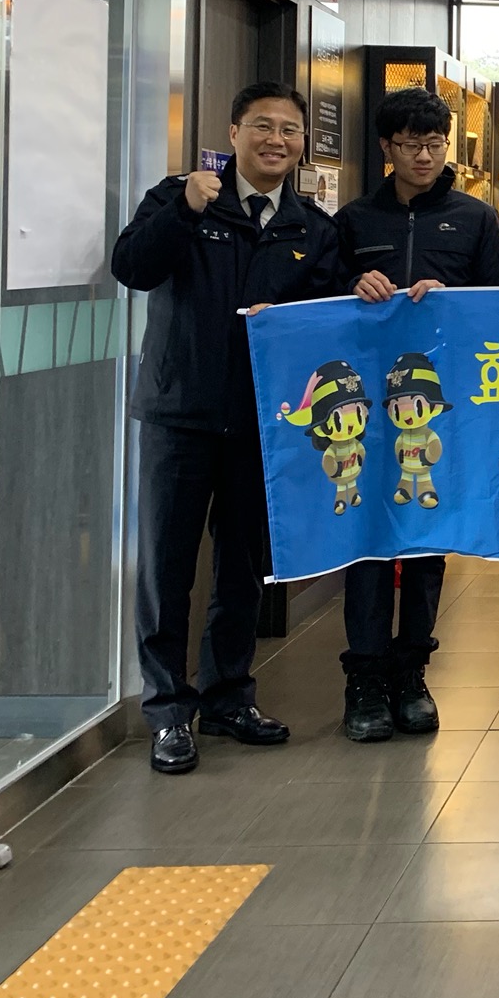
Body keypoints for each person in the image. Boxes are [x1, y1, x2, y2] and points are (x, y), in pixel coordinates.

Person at [111, 82, 343, 775]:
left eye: (290, 131)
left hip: (261, 425)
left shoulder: (311, 227)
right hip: (179, 414)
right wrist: (184, 210)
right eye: (263, 127)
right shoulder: (181, 197)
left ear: (302, 145)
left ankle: (228, 697)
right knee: (167, 568)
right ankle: (167, 711)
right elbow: (133, 267)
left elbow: (327, 320)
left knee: (243, 569)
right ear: (234, 132)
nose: (277, 140)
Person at [337, 86, 499, 743]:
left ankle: (412, 673)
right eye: (411, 145)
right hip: (365, 410)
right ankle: (364, 679)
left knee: (428, 537)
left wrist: (452, 297)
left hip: (441, 406)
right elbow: (318, 303)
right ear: (388, 147)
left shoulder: (475, 218)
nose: (424, 156)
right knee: (368, 540)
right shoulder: (355, 220)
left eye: (435, 144)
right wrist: (353, 286)